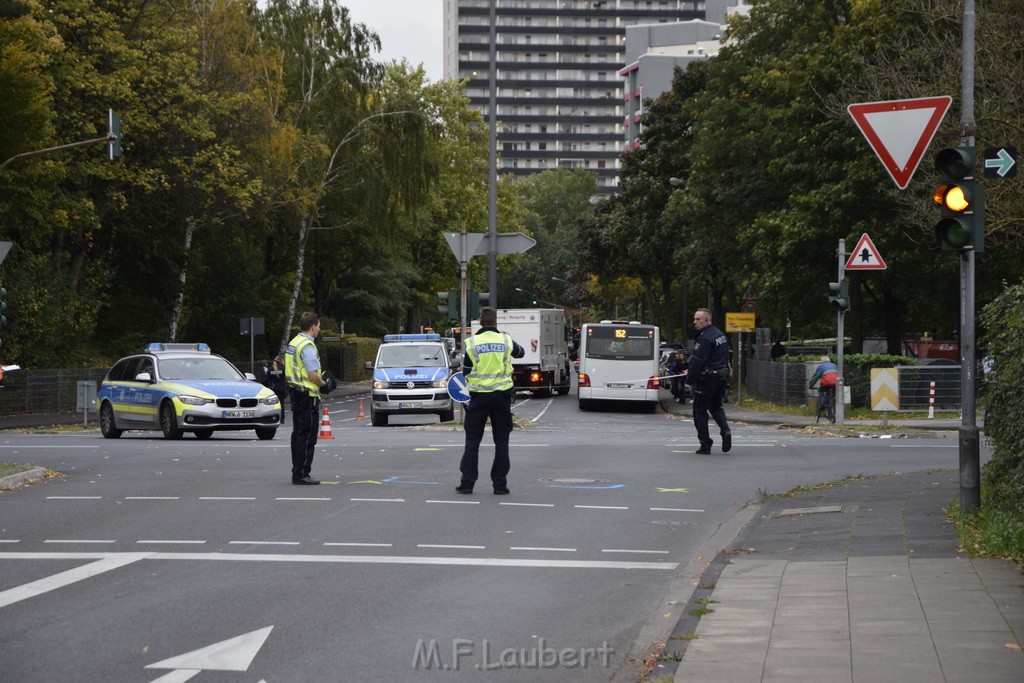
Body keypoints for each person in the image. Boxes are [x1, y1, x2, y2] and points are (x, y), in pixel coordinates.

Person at [456, 307, 525, 495]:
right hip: (501, 398)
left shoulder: (472, 343)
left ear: (480, 321)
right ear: (496, 322)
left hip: (478, 398)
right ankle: (500, 485)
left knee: (472, 441)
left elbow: (466, 371)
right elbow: (521, 353)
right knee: (502, 442)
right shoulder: (505, 340)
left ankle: (467, 483)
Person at [284, 312, 334, 485]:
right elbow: (312, 374)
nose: (319, 328)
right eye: (319, 326)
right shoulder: (307, 346)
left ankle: (297, 471)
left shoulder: (294, 342)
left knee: (298, 435)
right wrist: (324, 384)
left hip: (296, 393)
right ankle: (302, 474)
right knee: (307, 437)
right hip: (307, 395)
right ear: (313, 326)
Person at [685, 308, 731, 454]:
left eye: (698, 319)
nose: (695, 322)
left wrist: (689, 379)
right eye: (694, 319)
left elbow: (697, 360)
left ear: (707, 320)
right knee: (716, 407)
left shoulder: (704, 338)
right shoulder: (720, 335)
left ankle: (705, 444)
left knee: (699, 410)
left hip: (708, 378)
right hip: (721, 376)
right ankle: (725, 431)